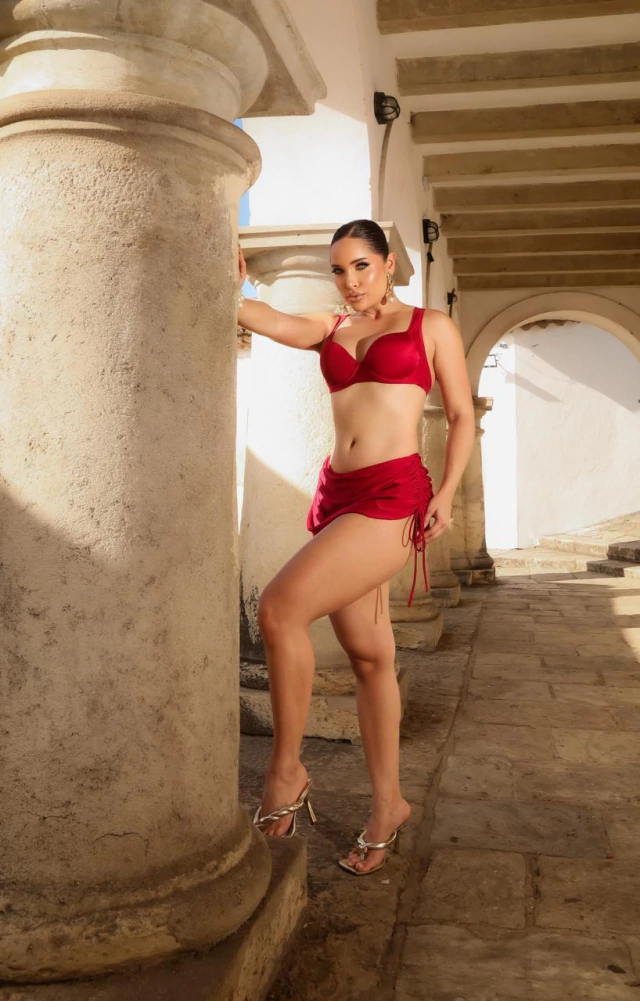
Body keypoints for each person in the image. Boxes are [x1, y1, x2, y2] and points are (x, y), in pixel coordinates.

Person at [237, 219, 475, 874]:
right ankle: (389, 804)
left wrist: (447, 493)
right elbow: (266, 319)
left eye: (361, 266)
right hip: (340, 496)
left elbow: (460, 415)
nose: (349, 281)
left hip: (393, 496)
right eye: (339, 270)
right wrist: (232, 285)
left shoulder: (431, 327)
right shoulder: (331, 327)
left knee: (279, 608)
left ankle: (285, 772)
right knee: (370, 657)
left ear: (389, 263)